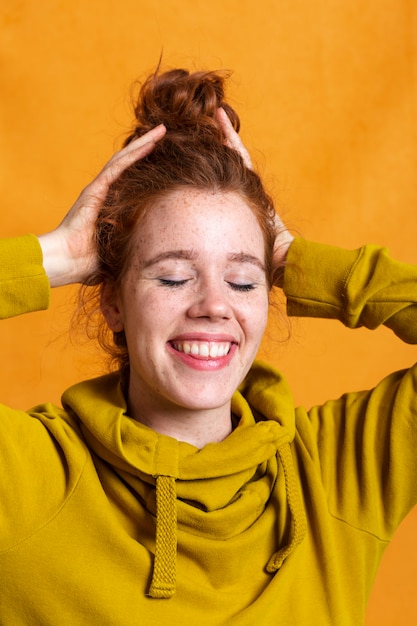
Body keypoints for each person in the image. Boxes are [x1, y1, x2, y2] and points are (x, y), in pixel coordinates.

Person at [1, 68, 417, 626]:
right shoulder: (28, 475)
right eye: (173, 278)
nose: (214, 306)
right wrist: (56, 255)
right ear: (113, 302)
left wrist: (293, 257)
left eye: (244, 282)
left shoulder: (340, 471)